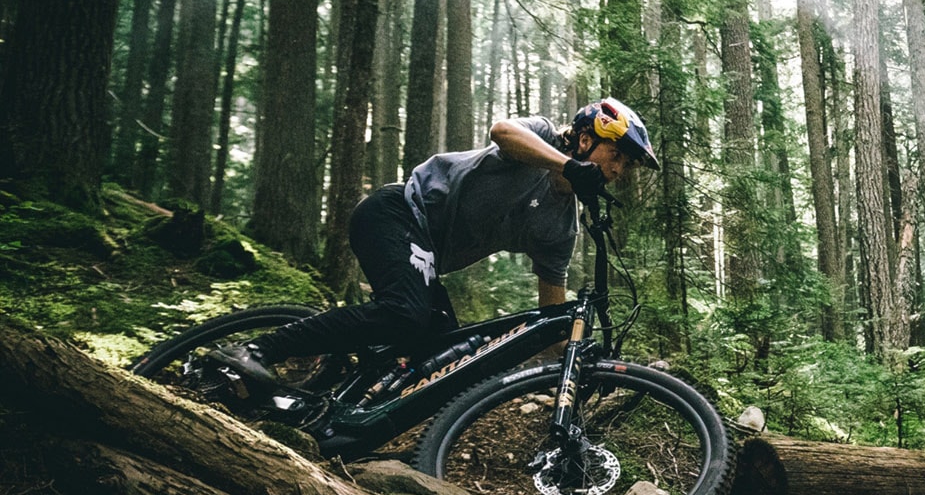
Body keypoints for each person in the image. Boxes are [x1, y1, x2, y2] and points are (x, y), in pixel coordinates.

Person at [217, 97, 658, 385]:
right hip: (395, 213)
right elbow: (502, 132)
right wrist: (566, 165)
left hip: (424, 256)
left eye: (626, 166)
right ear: (585, 139)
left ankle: (332, 394)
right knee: (404, 313)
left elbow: (550, 319)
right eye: (616, 155)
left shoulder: (561, 228)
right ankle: (255, 349)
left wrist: (583, 361)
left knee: (449, 360)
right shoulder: (542, 136)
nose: (618, 171)